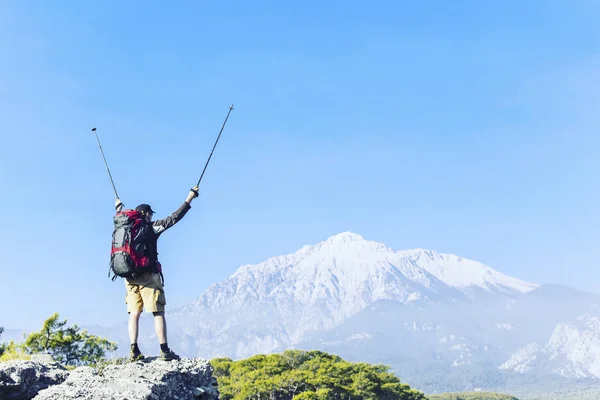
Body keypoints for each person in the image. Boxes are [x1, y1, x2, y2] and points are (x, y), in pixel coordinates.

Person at [114, 186, 199, 361]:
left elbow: (119, 215)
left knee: (134, 312)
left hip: (129, 276)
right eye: (150, 214)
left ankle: (133, 350)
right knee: (157, 311)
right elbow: (174, 218)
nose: (152, 216)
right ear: (145, 214)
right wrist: (190, 198)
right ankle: (164, 350)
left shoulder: (124, 227)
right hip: (148, 275)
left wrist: (118, 208)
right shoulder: (151, 228)